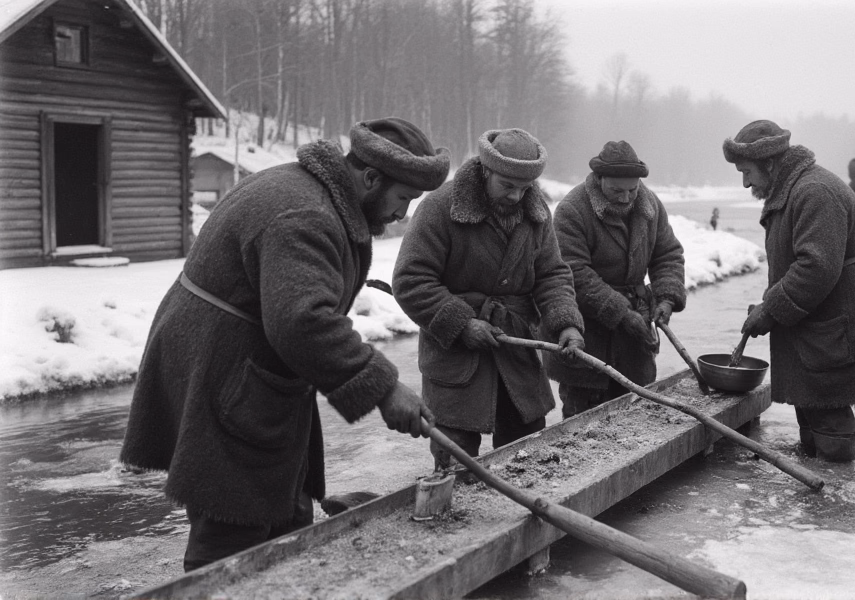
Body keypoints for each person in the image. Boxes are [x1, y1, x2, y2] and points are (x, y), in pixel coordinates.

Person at [120, 118, 450, 571]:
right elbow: (302, 320)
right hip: (227, 372)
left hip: (243, 362)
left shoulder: (317, 192)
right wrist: (385, 388)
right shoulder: (306, 213)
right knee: (232, 524)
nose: (403, 215)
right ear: (371, 178)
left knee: (283, 507)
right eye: (403, 199)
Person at [393, 128, 586, 471]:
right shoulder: (440, 207)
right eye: (507, 186)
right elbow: (411, 280)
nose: (516, 196)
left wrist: (566, 323)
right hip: (456, 358)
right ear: (486, 170)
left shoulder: (536, 212)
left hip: (516, 350)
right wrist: (462, 323)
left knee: (529, 456)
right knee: (455, 459)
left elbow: (553, 275)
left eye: (525, 188)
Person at [724, 120, 855, 462]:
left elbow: (816, 268)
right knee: (811, 390)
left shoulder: (814, 191)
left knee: (828, 393)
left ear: (769, 162)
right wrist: (771, 303)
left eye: (747, 171)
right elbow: (796, 261)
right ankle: (814, 464)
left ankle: (834, 488)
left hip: (840, 312)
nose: (745, 182)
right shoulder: (793, 188)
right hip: (822, 309)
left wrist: (771, 310)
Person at [546, 141, 686, 418]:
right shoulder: (572, 210)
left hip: (635, 336)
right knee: (583, 421)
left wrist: (667, 296)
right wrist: (621, 312)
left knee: (636, 412)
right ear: (599, 180)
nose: (625, 198)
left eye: (632, 190)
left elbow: (668, 254)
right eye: (616, 190)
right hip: (586, 330)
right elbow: (574, 272)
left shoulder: (650, 206)